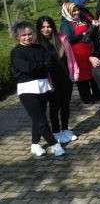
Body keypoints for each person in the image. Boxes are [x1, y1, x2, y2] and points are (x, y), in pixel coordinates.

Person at [10, 21, 66, 157]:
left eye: (29, 34)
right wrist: (40, 65)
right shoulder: (16, 52)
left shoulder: (39, 48)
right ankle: (54, 144)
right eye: (23, 35)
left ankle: (35, 145)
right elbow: (27, 68)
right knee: (41, 119)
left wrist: (38, 66)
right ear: (18, 36)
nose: (27, 37)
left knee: (38, 118)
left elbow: (49, 63)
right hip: (27, 89)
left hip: (42, 86)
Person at [35, 16, 79, 144]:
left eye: (48, 26)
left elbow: (71, 57)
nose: (46, 29)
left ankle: (65, 129)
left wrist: (75, 72)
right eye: (43, 27)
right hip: (50, 80)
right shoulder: (37, 44)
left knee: (65, 105)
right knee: (55, 107)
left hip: (65, 77)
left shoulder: (62, 38)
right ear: (39, 29)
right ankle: (56, 132)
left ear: (53, 27)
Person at [60, 2, 99, 103]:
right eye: (73, 11)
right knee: (82, 77)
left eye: (77, 10)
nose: (77, 12)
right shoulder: (65, 24)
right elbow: (69, 38)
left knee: (93, 73)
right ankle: (86, 98)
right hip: (77, 54)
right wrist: (84, 33)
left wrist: (93, 28)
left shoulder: (82, 19)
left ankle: (97, 95)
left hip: (89, 50)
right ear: (68, 12)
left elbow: (90, 30)